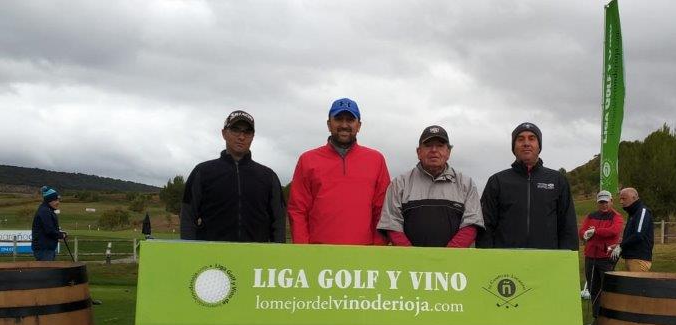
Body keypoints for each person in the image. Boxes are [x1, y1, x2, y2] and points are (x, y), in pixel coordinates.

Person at [288, 98, 391, 245]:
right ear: (329, 124)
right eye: (338, 119)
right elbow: (298, 210)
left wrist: (377, 249)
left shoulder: (376, 159)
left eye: (350, 120)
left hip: (364, 255)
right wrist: (304, 250)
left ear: (359, 125)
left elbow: (382, 211)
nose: (344, 125)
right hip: (319, 254)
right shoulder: (307, 159)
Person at [180, 110, 285, 242]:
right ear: (224, 133)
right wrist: (188, 250)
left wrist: (278, 252)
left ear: (253, 136)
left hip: (257, 257)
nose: (241, 137)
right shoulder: (202, 172)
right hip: (211, 257)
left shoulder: (268, 176)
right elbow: (188, 218)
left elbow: (279, 222)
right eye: (235, 130)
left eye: (247, 132)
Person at [377, 125, 483, 247]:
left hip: (453, 262)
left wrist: (447, 256)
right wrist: (412, 256)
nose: (434, 150)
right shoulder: (399, 183)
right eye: (428, 145)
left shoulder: (466, 184)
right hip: (409, 263)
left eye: (440, 145)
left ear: (448, 152)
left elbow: (472, 224)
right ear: (418, 152)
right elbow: (392, 223)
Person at [478, 122, 578, 250]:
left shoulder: (558, 180)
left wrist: (566, 261)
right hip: (505, 263)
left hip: (547, 262)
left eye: (532, 138)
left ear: (539, 146)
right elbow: (486, 226)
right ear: (514, 147)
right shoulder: (497, 181)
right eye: (520, 139)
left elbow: (568, 226)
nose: (526, 143)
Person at [579, 190, 623, 325]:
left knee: (607, 289)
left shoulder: (616, 216)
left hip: (606, 257)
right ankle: (597, 318)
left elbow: (613, 231)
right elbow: (582, 231)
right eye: (601, 202)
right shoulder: (591, 215)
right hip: (591, 256)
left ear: (611, 201)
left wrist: (595, 232)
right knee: (593, 288)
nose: (603, 205)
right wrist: (584, 234)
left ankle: (609, 318)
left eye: (605, 202)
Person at [611, 187, 654, 271]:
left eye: (624, 199)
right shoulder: (633, 213)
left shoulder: (642, 211)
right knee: (630, 284)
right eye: (620, 199)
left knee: (636, 284)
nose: (621, 202)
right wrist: (619, 246)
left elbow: (639, 235)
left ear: (634, 198)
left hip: (639, 258)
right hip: (632, 258)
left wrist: (621, 246)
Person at [31, 186, 66, 261]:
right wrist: (61, 235)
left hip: (46, 248)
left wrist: (59, 233)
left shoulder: (47, 210)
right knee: (46, 271)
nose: (58, 202)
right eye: (56, 200)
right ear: (49, 201)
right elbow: (49, 230)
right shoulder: (45, 212)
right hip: (44, 248)